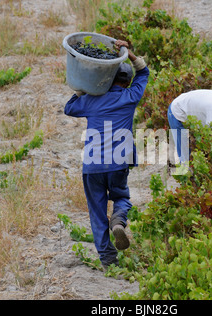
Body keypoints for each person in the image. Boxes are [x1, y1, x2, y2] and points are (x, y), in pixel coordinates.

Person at [64, 40, 149, 269]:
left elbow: (69, 108)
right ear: (127, 82)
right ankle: (119, 220)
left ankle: (108, 261)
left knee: (97, 211)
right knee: (121, 197)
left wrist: (83, 88)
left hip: (92, 166)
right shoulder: (130, 97)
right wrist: (127, 53)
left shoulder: (92, 100)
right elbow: (144, 71)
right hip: (119, 162)